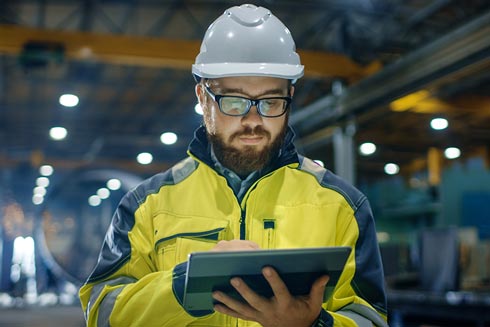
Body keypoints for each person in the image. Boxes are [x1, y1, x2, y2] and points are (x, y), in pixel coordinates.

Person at [79, 4, 388, 327]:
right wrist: (182, 287)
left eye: (271, 102)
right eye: (234, 101)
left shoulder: (342, 206)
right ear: (202, 97)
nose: (253, 120)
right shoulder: (147, 205)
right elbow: (102, 314)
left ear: (290, 96)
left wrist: (314, 324)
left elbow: (372, 319)